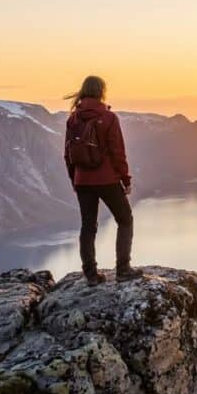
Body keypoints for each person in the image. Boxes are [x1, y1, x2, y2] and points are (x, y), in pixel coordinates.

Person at [63, 75, 142, 285]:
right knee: (125, 219)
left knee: (88, 226)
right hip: (107, 178)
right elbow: (118, 153)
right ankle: (123, 269)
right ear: (102, 92)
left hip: (82, 181)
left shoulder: (73, 118)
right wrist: (126, 180)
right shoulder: (108, 117)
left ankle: (90, 275)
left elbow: (68, 154)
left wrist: (75, 179)